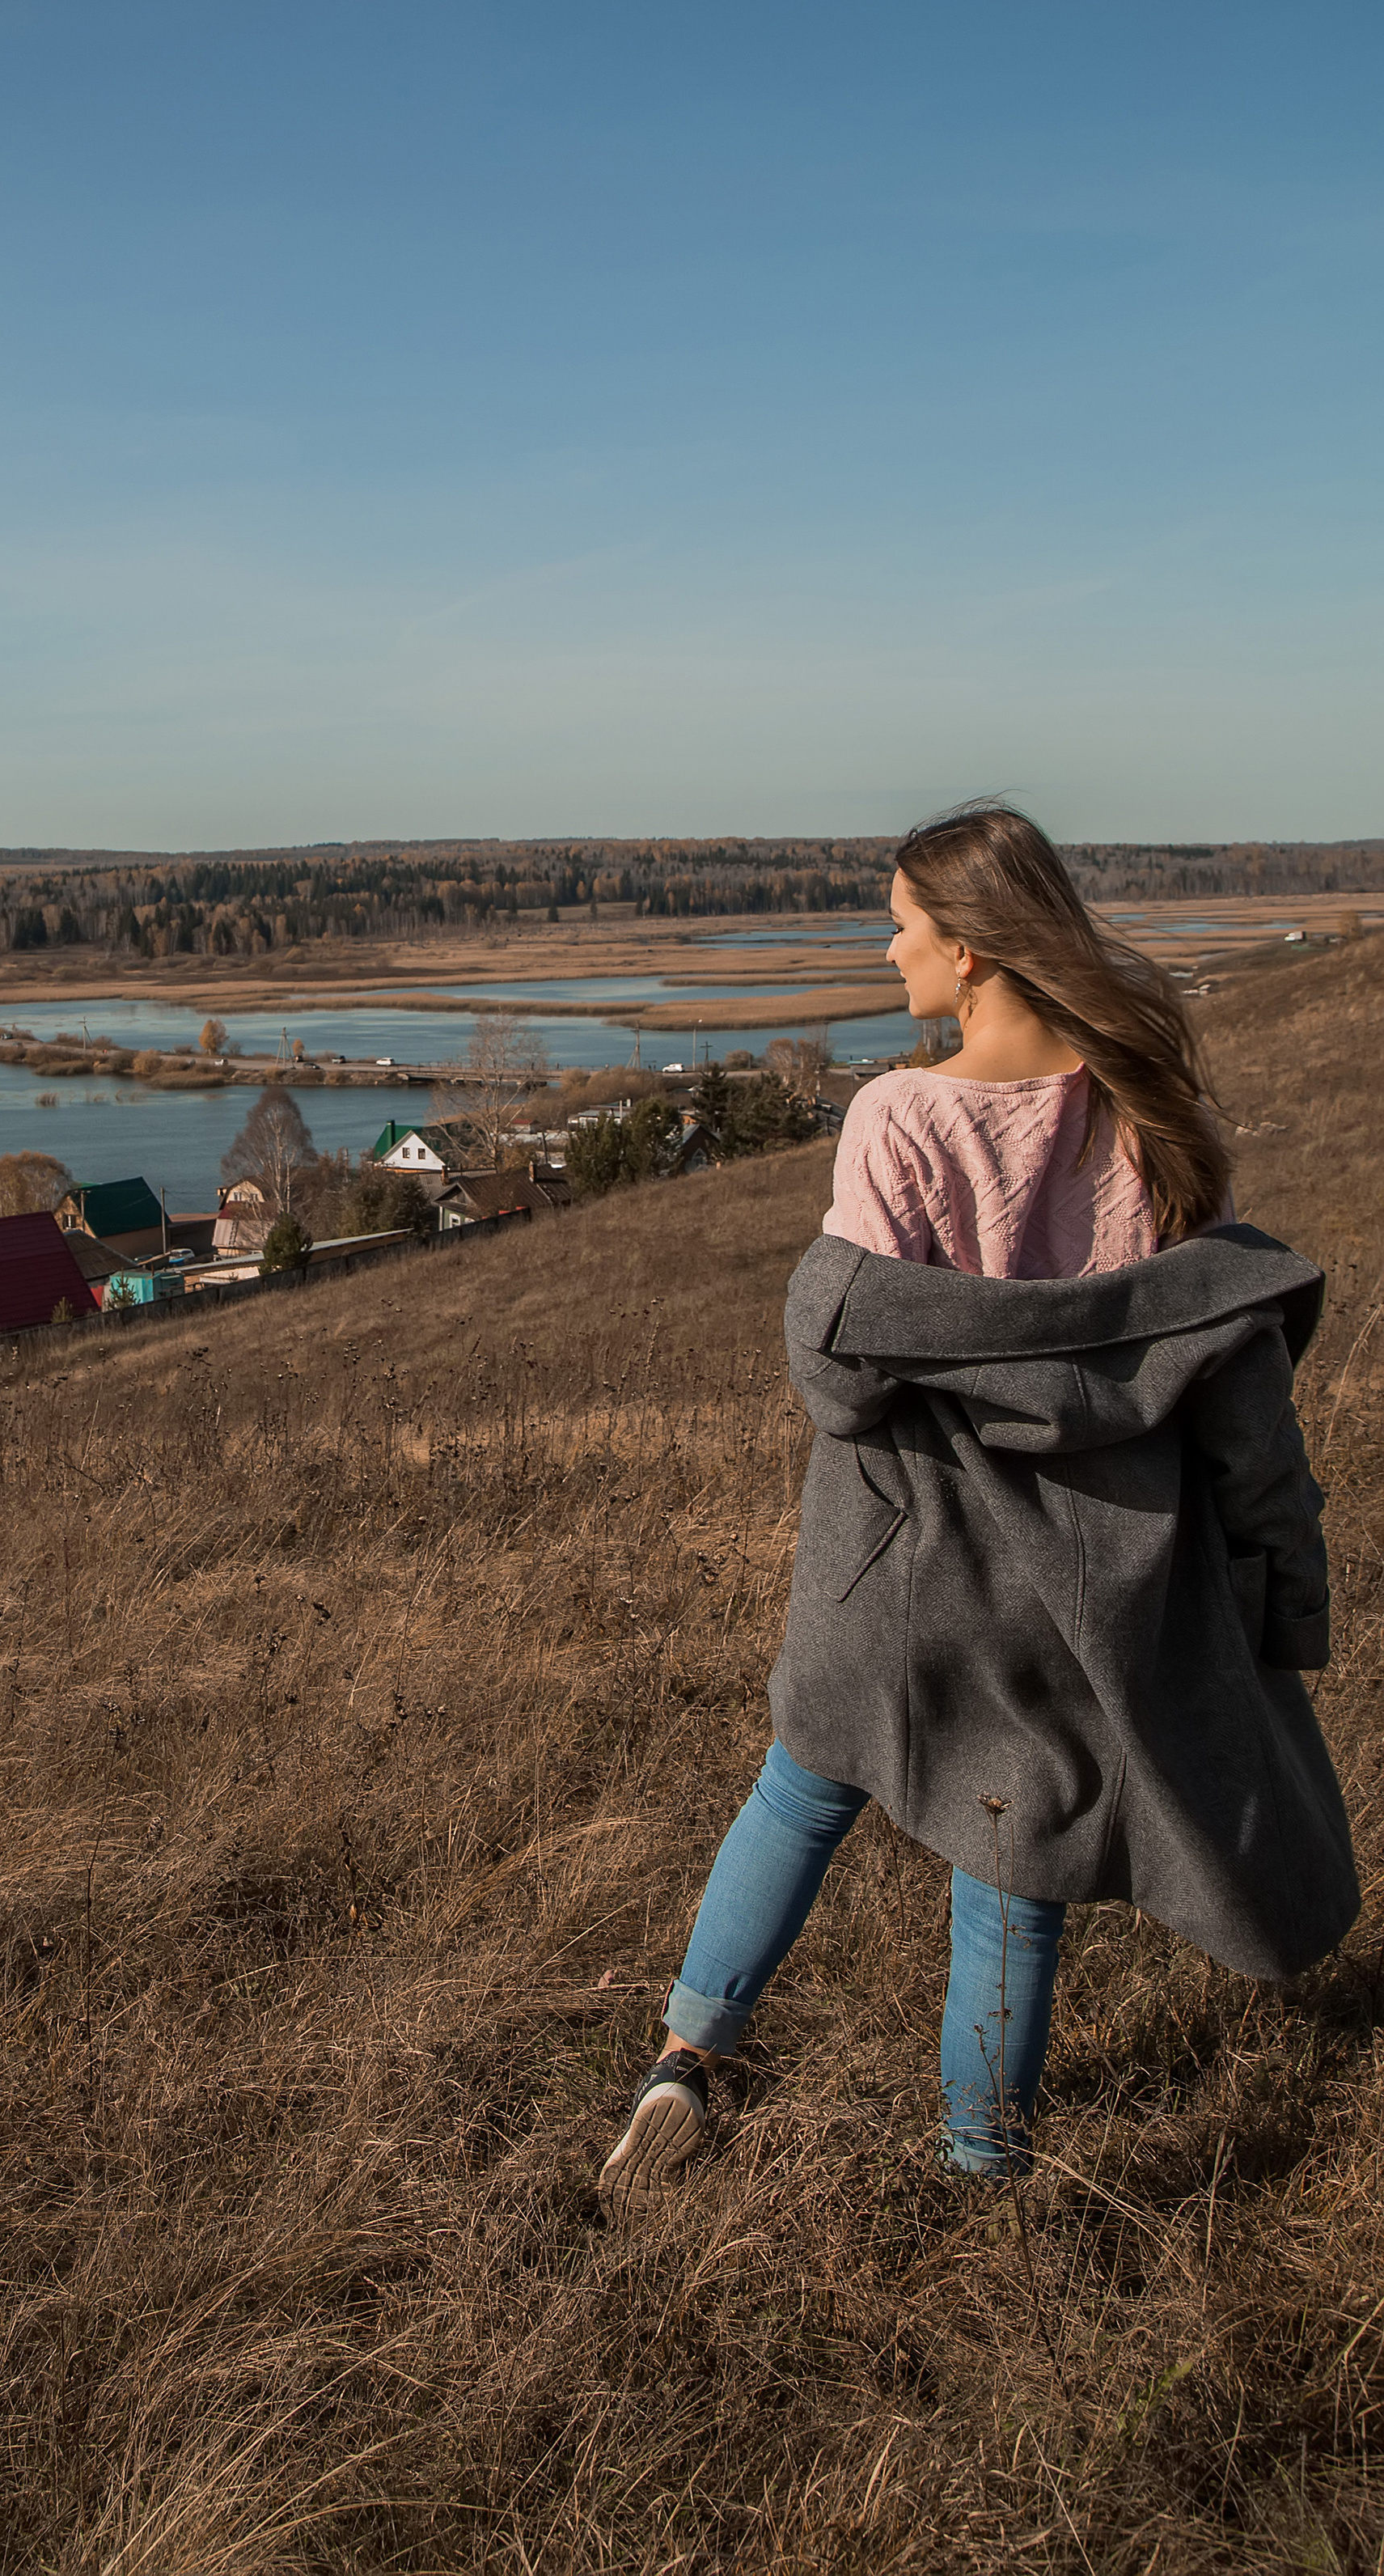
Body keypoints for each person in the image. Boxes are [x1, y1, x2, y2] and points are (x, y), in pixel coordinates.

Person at [599, 802, 1358, 2206]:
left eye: (901, 925)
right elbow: (1242, 1407)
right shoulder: (1151, 1129)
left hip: (891, 1571)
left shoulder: (901, 1115)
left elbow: (839, 1372)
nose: (887, 950)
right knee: (1013, 1885)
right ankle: (977, 2181)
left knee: (797, 1797)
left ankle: (685, 2067)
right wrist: (1281, 1602)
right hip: (1079, 1596)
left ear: (969, 951)